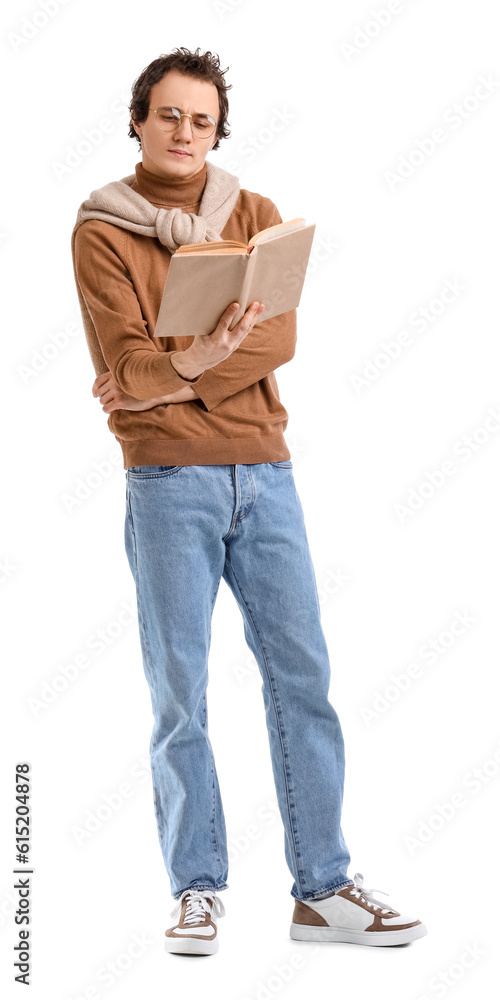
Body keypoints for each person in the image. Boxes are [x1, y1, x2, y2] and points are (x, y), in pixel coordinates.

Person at [71, 47, 427, 957]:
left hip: (267, 476)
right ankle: (196, 889)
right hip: (165, 487)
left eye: (201, 119)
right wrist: (166, 371)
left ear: (217, 129)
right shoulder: (103, 233)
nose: (185, 132)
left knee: (303, 677)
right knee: (180, 694)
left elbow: (277, 343)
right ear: (139, 121)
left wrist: (163, 378)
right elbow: (127, 362)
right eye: (168, 115)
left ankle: (324, 888)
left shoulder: (256, 217)